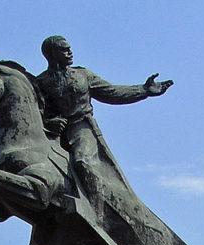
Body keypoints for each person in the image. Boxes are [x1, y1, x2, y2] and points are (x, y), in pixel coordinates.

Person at [36, 35, 173, 206]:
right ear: (52, 54)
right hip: (54, 133)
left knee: (82, 161)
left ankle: (95, 209)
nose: (70, 52)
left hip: (81, 128)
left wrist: (144, 90)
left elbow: (112, 93)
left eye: (69, 48)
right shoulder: (40, 82)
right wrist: (49, 122)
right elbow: (36, 112)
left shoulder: (83, 75)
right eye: (64, 49)